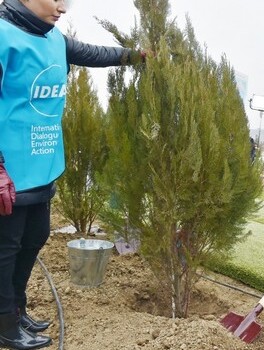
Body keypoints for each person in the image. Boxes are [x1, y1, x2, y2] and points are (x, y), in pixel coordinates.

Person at [0, 1, 145, 348]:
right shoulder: (4, 36)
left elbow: (94, 53)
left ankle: (16, 311)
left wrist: (138, 56)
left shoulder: (55, 38)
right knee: (6, 249)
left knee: (34, 239)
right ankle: (4, 323)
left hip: (43, 164)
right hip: (10, 173)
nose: (63, 6)